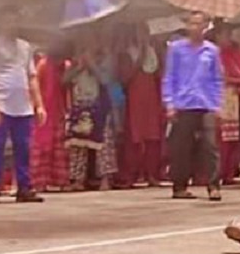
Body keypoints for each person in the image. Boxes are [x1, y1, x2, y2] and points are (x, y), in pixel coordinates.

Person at [0, 5, 47, 204]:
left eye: (15, 20)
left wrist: (39, 105)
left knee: (24, 147)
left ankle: (24, 188)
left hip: (23, 106)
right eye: (8, 20)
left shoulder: (26, 47)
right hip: (2, 104)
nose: (12, 24)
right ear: (1, 22)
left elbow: (32, 77)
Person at [162, 11, 224, 200]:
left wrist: (217, 104)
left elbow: (216, 79)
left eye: (198, 24)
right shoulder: (176, 48)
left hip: (205, 103)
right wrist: (169, 103)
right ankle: (179, 186)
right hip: (183, 103)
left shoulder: (211, 50)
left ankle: (213, 185)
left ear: (205, 27)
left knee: (210, 145)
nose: (195, 28)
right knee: (182, 147)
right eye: (191, 24)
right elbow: (169, 77)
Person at [64, 43, 114, 190]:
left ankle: (105, 179)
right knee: (78, 145)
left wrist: (92, 65)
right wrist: (79, 67)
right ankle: (77, 180)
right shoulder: (74, 65)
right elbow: (64, 80)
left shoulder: (104, 60)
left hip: (99, 107)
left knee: (103, 145)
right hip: (80, 107)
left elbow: (106, 80)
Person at [119, 23, 164, 187]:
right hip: (135, 97)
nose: (142, 36)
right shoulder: (127, 53)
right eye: (139, 32)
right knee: (135, 138)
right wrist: (139, 59)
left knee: (153, 137)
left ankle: (152, 174)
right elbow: (124, 79)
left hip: (151, 97)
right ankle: (131, 175)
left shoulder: (153, 52)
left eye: (145, 32)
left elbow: (158, 74)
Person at [30, 46, 70, 192]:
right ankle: (39, 182)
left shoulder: (65, 66)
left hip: (59, 110)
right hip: (44, 110)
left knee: (59, 148)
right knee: (42, 146)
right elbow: (35, 87)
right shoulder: (43, 64)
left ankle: (60, 181)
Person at [218, 24, 240, 183]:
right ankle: (220, 172)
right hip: (222, 97)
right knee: (222, 138)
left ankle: (230, 172)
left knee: (234, 138)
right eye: (224, 35)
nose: (227, 39)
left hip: (235, 98)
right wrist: (238, 80)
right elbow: (220, 78)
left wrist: (239, 80)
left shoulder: (236, 53)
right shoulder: (216, 55)